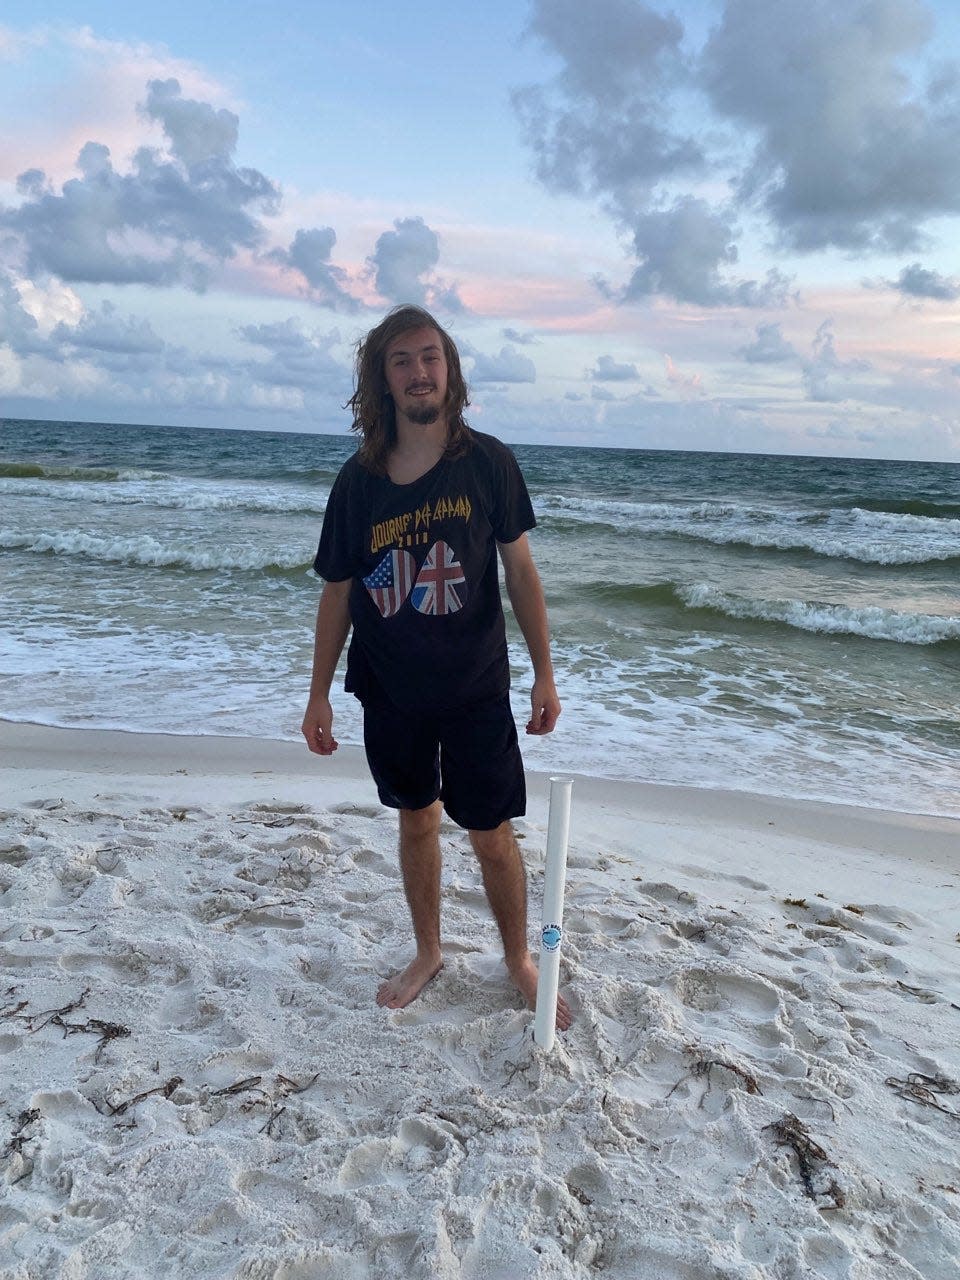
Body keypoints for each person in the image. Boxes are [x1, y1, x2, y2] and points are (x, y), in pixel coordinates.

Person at [301, 304, 571, 1030]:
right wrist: (318, 693)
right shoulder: (358, 482)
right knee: (415, 820)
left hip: (475, 684)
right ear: (382, 380)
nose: (419, 372)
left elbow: (520, 573)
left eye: (430, 357)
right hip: (390, 687)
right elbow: (337, 592)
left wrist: (545, 673)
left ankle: (517, 958)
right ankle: (429, 952)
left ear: (448, 371)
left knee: (491, 830)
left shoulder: (488, 462)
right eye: (402, 361)